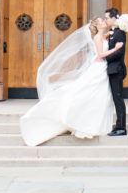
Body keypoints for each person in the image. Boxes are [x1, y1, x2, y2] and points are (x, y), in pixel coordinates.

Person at [19, 17, 122, 147]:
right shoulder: (97, 38)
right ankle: (83, 121)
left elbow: (103, 42)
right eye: (102, 22)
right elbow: (100, 55)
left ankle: (95, 123)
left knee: (100, 97)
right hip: (99, 68)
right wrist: (116, 48)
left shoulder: (102, 36)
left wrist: (109, 35)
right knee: (94, 95)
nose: (104, 22)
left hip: (101, 68)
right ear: (98, 26)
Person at [104, 7, 128, 136]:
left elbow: (120, 51)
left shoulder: (120, 33)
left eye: (107, 18)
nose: (105, 20)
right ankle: (118, 125)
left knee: (118, 99)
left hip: (116, 70)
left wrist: (105, 58)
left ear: (114, 18)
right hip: (111, 70)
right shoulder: (112, 32)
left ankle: (121, 127)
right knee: (115, 98)